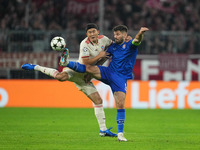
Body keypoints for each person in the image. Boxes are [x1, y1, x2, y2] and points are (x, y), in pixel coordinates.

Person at [21, 23, 117, 137]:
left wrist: (125, 41)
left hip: (86, 77)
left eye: (94, 31)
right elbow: (86, 63)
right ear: (86, 34)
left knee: (98, 100)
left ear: (98, 32)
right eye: (89, 32)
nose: (92, 34)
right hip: (77, 70)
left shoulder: (104, 39)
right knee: (61, 77)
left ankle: (103, 130)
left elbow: (112, 48)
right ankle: (36, 66)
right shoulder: (84, 44)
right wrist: (100, 56)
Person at [59, 25, 149, 141]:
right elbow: (103, 59)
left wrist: (140, 33)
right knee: (90, 68)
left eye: (118, 34)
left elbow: (137, 40)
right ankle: (66, 63)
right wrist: (91, 74)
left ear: (125, 35)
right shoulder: (113, 47)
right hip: (109, 72)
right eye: (115, 34)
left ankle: (120, 134)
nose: (115, 37)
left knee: (120, 104)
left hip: (120, 79)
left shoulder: (130, 45)